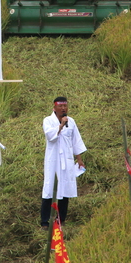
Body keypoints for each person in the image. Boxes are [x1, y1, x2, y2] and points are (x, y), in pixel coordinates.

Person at [40, 96, 86, 228]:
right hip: (53, 160)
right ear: (54, 108)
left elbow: (76, 140)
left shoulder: (71, 122)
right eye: (60, 106)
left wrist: (79, 159)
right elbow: (50, 136)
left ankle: (61, 220)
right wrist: (60, 126)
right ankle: (45, 222)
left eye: (65, 106)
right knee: (49, 188)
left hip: (66, 160)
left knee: (65, 188)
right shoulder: (48, 121)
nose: (63, 108)